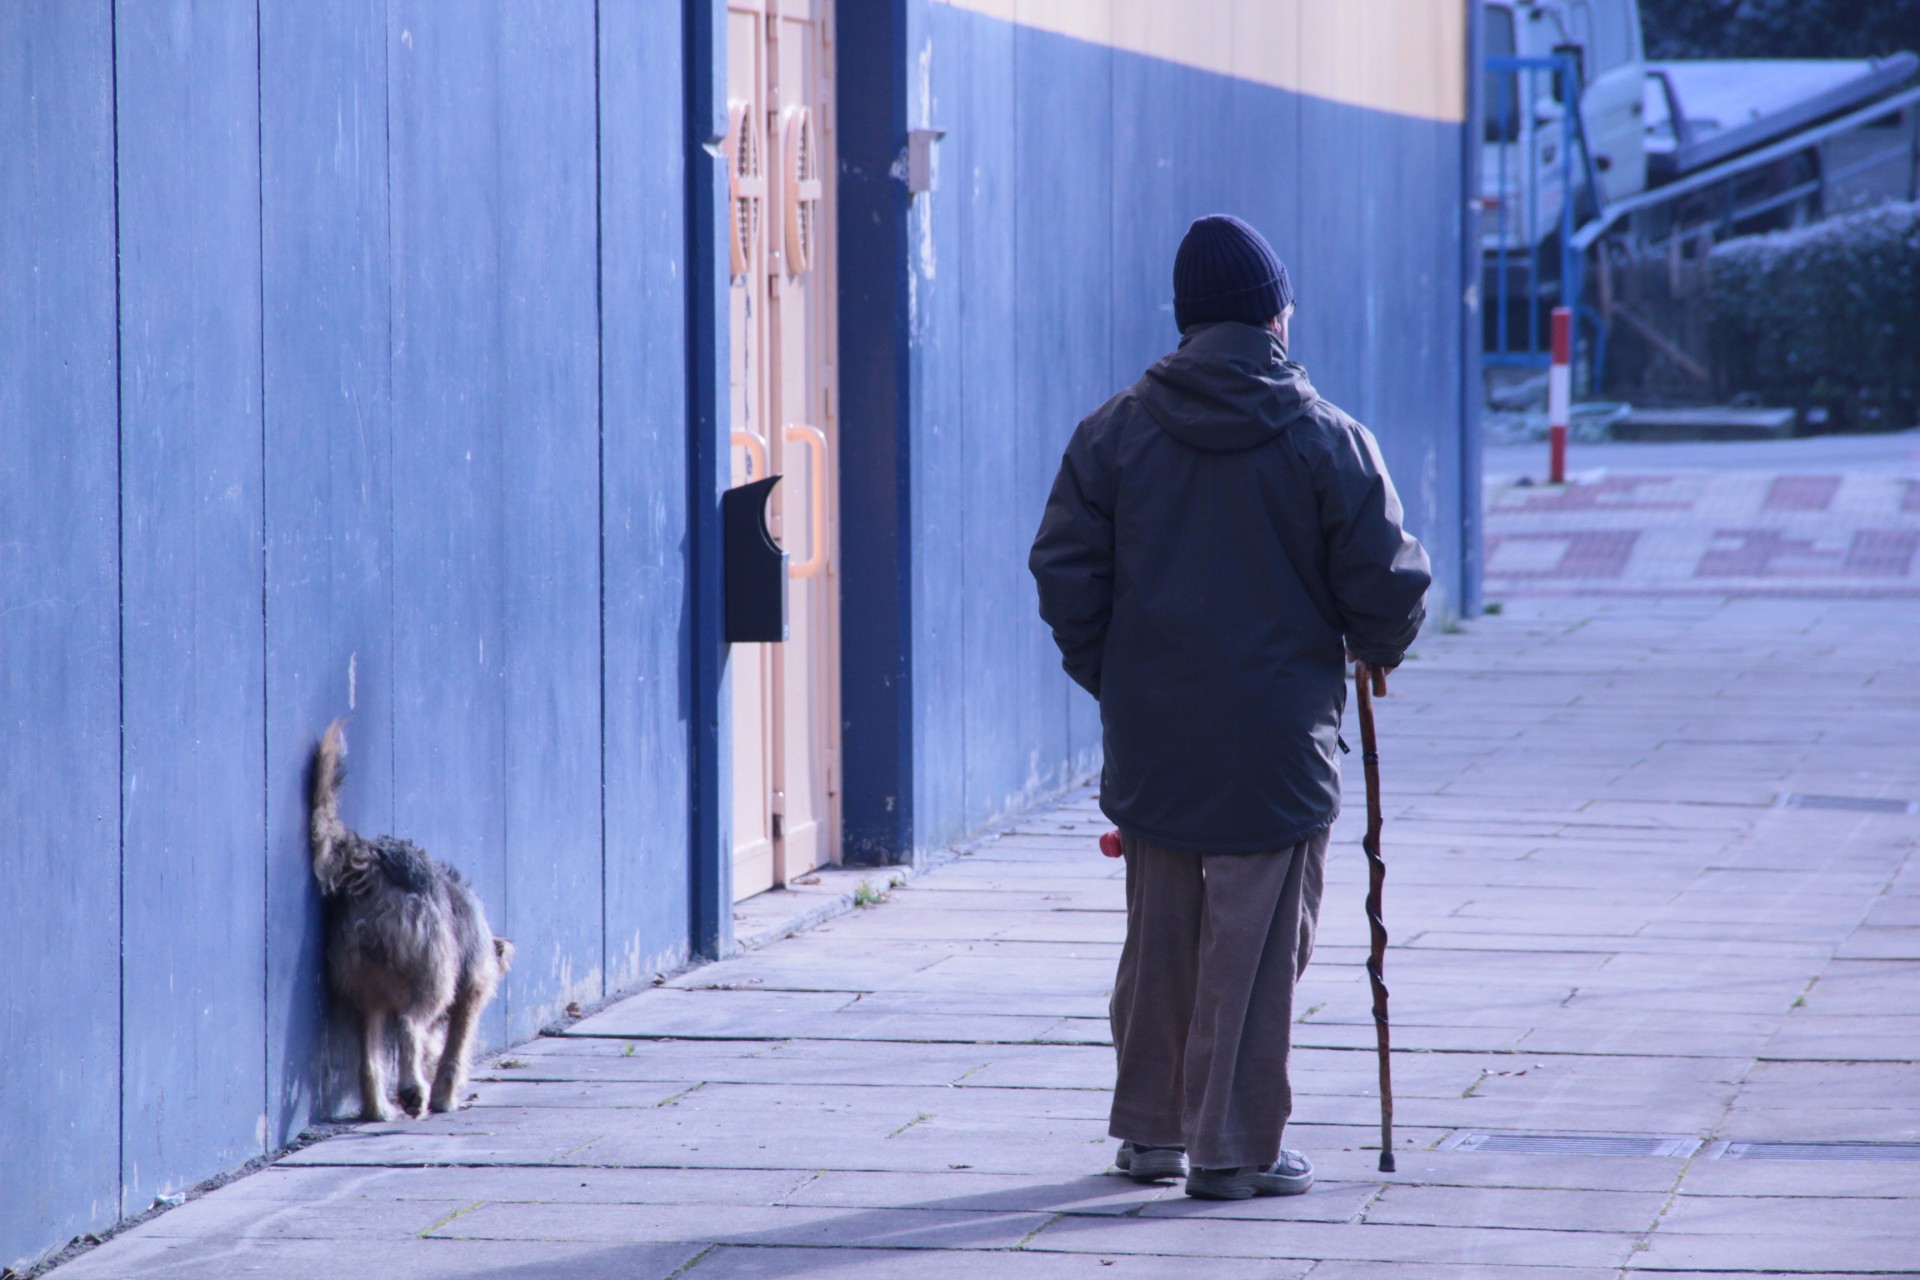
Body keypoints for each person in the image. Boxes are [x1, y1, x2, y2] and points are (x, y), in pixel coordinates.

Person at [1028, 214, 1431, 1200]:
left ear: (1187, 322)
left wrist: (1116, 673)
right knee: (1256, 944)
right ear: (1273, 318)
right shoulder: (1327, 438)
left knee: (1160, 933)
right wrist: (1375, 649)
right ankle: (1235, 1143)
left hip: (1155, 734)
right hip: (1278, 742)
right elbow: (1387, 579)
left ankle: (1152, 1131)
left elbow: (1064, 572)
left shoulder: (1112, 433)